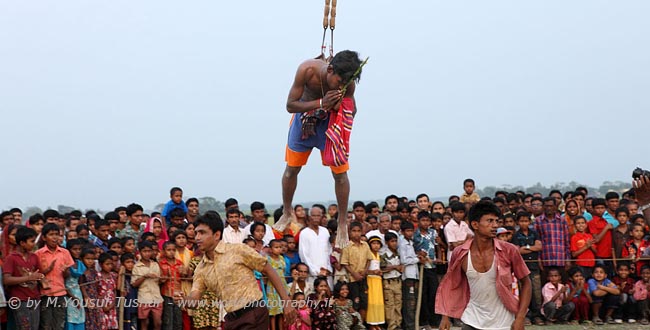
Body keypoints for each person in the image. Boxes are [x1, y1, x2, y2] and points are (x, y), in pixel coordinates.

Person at [279, 50, 364, 248]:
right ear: (330, 70)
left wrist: (338, 108)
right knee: (291, 170)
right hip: (303, 121)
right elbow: (290, 105)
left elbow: (353, 110)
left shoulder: (348, 83)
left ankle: (342, 222)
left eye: (346, 83)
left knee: (340, 174)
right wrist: (320, 103)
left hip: (330, 125)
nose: (342, 86)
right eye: (339, 82)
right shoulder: (307, 70)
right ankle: (286, 211)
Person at [177, 212, 296, 329]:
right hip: (231, 319)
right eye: (196, 233)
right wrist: (183, 300)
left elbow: (268, 270)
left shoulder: (238, 250)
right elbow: (194, 301)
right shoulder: (201, 269)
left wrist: (286, 302)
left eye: (202, 233)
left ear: (217, 235)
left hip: (254, 313)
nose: (197, 237)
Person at [437, 200, 532, 330]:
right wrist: (445, 316)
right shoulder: (460, 253)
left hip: (504, 322)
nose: (495, 226)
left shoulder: (509, 250)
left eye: (496, 221)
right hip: (471, 320)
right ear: (475, 224)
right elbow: (451, 284)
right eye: (489, 221)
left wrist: (520, 318)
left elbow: (526, 283)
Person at [36, 223, 75, 330]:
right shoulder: (38, 254)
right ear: (44, 237)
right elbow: (36, 275)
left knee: (59, 324)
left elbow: (67, 275)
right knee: (46, 325)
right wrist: (47, 270)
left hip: (60, 293)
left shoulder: (64, 252)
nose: (54, 237)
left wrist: (65, 271)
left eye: (57, 234)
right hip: (45, 294)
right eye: (51, 234)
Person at [3, 227, 43, 330]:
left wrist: (42, 278)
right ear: (22, 243)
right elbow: (6, 280)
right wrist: (28, 278)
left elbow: (40, 274)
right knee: (24, 327)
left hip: (35, 298)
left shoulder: (34, 257)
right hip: (20, 300)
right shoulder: (11, 258)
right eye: (31, 241)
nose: (34, 244)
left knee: (34, 327)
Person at [340, 221, 372, 319]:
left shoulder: (365, 245)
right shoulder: (347, 246)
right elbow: (345, 263)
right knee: (355, 303)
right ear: (349, 232)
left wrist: (365, 271)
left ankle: (361, 325)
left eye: (358, 231)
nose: (356, 233)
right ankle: (354, 324)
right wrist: (354, 274)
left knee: (364, 303)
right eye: (354, 231)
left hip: (363, 278)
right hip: (352, 280)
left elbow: (369, 259)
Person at [131, 241, 163, 330]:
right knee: (144, 322)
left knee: (158, 322)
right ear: (140, 252)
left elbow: (159, 281)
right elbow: (134, 284)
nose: (147, 253)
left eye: (149, 251)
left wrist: (162, 279)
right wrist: (145, 276)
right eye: (145, 251)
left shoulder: (155, 264)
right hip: (143, 297)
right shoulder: (136, 266)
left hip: (157, 297)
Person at [380, 232, 403, 330]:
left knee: (398, 303)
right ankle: (392, 325)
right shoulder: (383, 254)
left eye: (395, 241)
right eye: (392, 241)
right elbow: (382, 267)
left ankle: (398, 323)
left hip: (397, 281)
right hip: (388, 282)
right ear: (386, 242)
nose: (394, 243)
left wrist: (399, 268)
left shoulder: (398, 253)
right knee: (390, 304)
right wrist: (394, 267)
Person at [366, 236, 386, 329]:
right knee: (371, 301)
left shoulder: (379, 255)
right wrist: (373, 272)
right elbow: (365, 270)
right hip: (370, 280)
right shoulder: (369, 255)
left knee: (378, 301)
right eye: (374, 243)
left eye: (378, 243)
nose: (376, 246)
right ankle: (371, 323)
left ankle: (377, 322)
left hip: (377, 280)